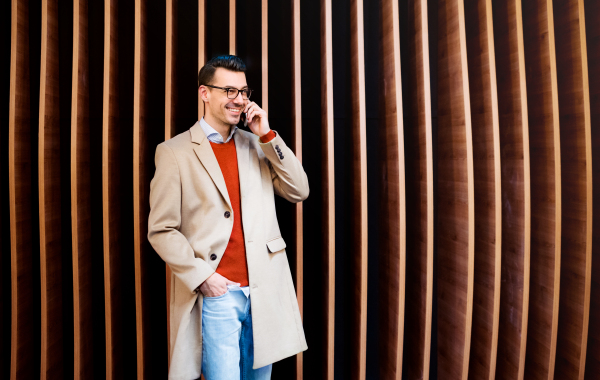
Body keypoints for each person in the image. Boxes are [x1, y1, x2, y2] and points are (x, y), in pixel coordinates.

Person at [148, 55, 308, 380]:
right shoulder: (174, 152)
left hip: (264, 290)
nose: (240, 100)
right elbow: (161, 230)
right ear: (205, 93)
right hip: (218, 294)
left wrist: (266, 134)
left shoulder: (256, 145)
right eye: (230, 91)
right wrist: (204, 277)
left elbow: (298, 189)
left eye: (244, 92)